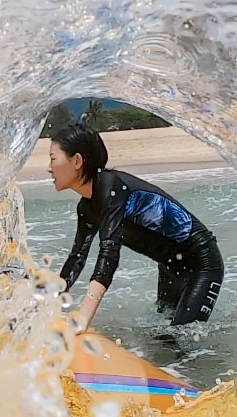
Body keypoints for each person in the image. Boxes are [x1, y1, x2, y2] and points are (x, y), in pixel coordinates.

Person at [48, 124, 224, 331]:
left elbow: (109, 255)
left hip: (202, 263)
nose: (49, 168)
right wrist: (50, 306)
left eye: (52, 159)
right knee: (164, 336)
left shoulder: (111, 186)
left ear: (77, 161)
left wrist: (83, 318)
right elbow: (77, 258)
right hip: (170, 266)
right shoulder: (87, 207)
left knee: (182, 337)